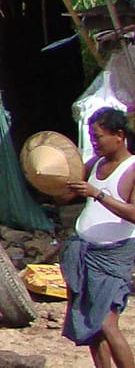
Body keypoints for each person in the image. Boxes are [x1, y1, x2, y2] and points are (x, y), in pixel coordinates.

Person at [66, 107, 135, 367]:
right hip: (85, 251)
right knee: (90, 324)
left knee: (106, 322)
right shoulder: (95, 162)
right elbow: (64, 196)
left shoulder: (132, 168)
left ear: (119, 135)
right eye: (92, 138)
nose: (94, 143)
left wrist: (98, 194)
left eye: (99, 137)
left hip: (114, 254)